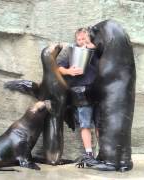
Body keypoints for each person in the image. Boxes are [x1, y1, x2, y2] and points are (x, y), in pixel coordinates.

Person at [56, 28, 99, 165]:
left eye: (84, 39)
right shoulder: (71, 52)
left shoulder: (96, 51)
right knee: (85, 124)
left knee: (99, 124)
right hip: (80, 92)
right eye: (79, 39)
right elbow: (58, 68)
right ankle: (89, 153)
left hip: (96, 92)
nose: (82, 41)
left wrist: (93, 47)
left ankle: (102, 152)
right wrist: (69, 71)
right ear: (76, 40)